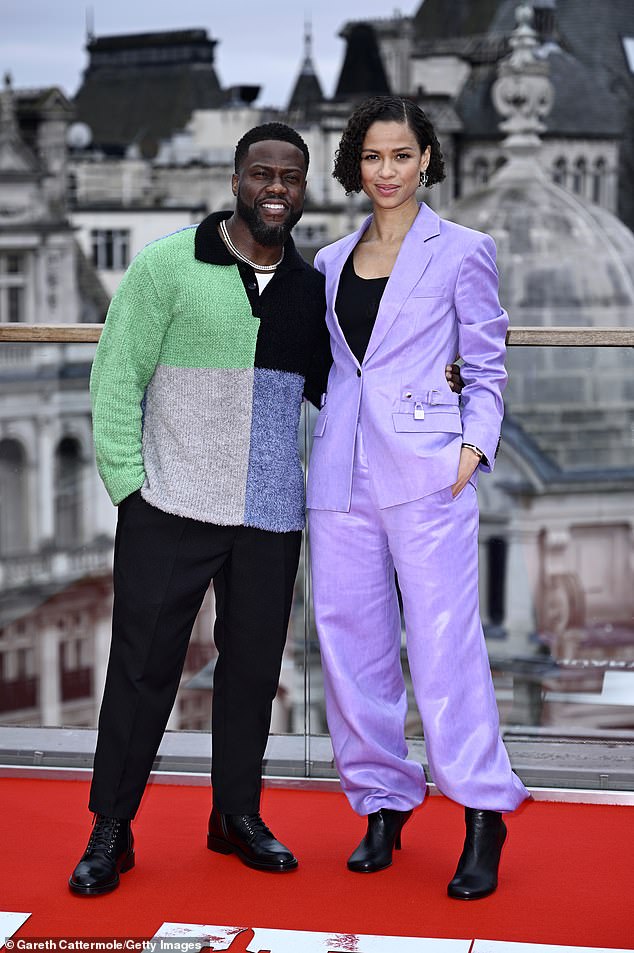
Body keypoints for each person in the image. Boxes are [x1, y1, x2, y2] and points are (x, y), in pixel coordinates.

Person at [69, 123, 332, 895]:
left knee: (252, 672)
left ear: (304, 187)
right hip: (169, 504)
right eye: (262, 173)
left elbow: (338, 388)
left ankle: (235, 815)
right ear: (235, 180)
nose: (276, 187)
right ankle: (110, 829)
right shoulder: (164, 267)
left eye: (290, 176)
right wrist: (128, 487)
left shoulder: (311, 289)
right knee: (142, 671)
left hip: (269, 514)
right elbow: (116, 378)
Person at [306, 96, 529, 900]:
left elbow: (488, 359)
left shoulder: (464, 249)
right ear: (355, 166)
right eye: (373, 157)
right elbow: (332, 368)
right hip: (340, 473)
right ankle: (382, 800)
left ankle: (480, 809)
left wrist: (472, 447)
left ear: (427, 158)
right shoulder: (329, 261)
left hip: (430, 470)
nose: (387, 171)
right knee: (349, 644)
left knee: (445, 646)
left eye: (401, 156)